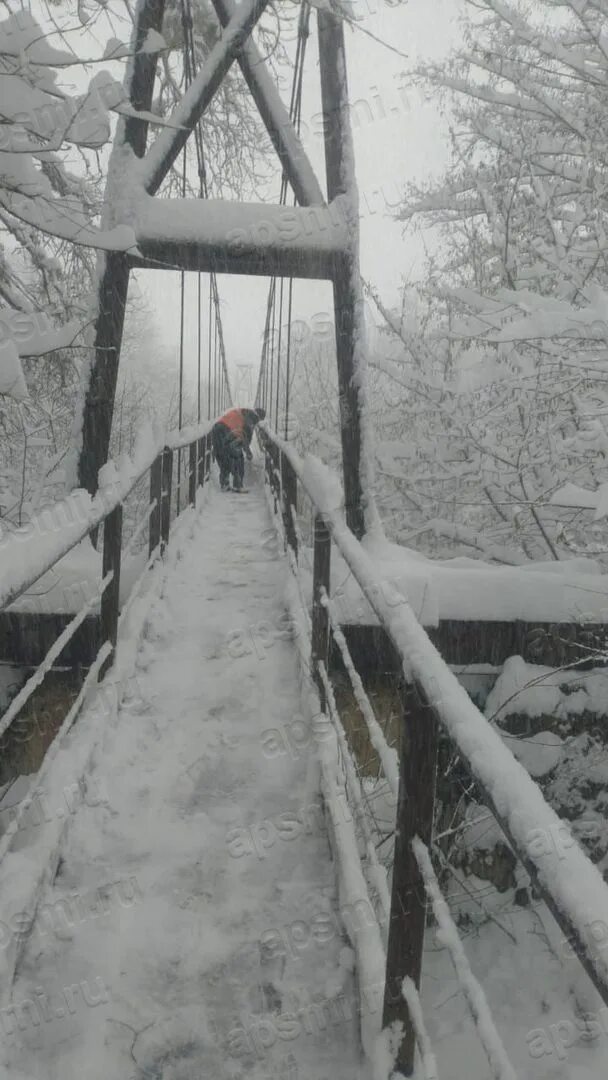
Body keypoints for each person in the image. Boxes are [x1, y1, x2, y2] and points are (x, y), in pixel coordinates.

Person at [211, 406, 266, 491]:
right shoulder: (253, 417)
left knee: (223, 457)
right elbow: (245, 436)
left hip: (216, 429)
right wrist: (248, 452)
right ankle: (238, 484)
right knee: (238, 457)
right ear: (259, 417)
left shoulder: (244, 412)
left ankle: (225, 483)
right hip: (226, 431)